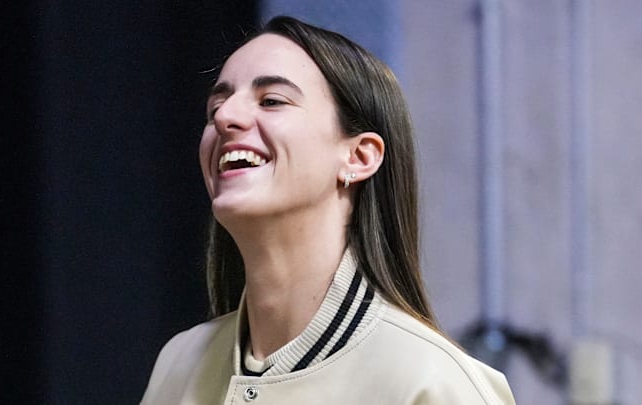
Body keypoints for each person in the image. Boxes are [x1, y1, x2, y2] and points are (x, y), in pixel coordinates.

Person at [141, 16, 515, 404]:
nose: (224, 117)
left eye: (271, 100)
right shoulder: (179, 362)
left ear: (358, 156)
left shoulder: (433, 382)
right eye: (216, 105)